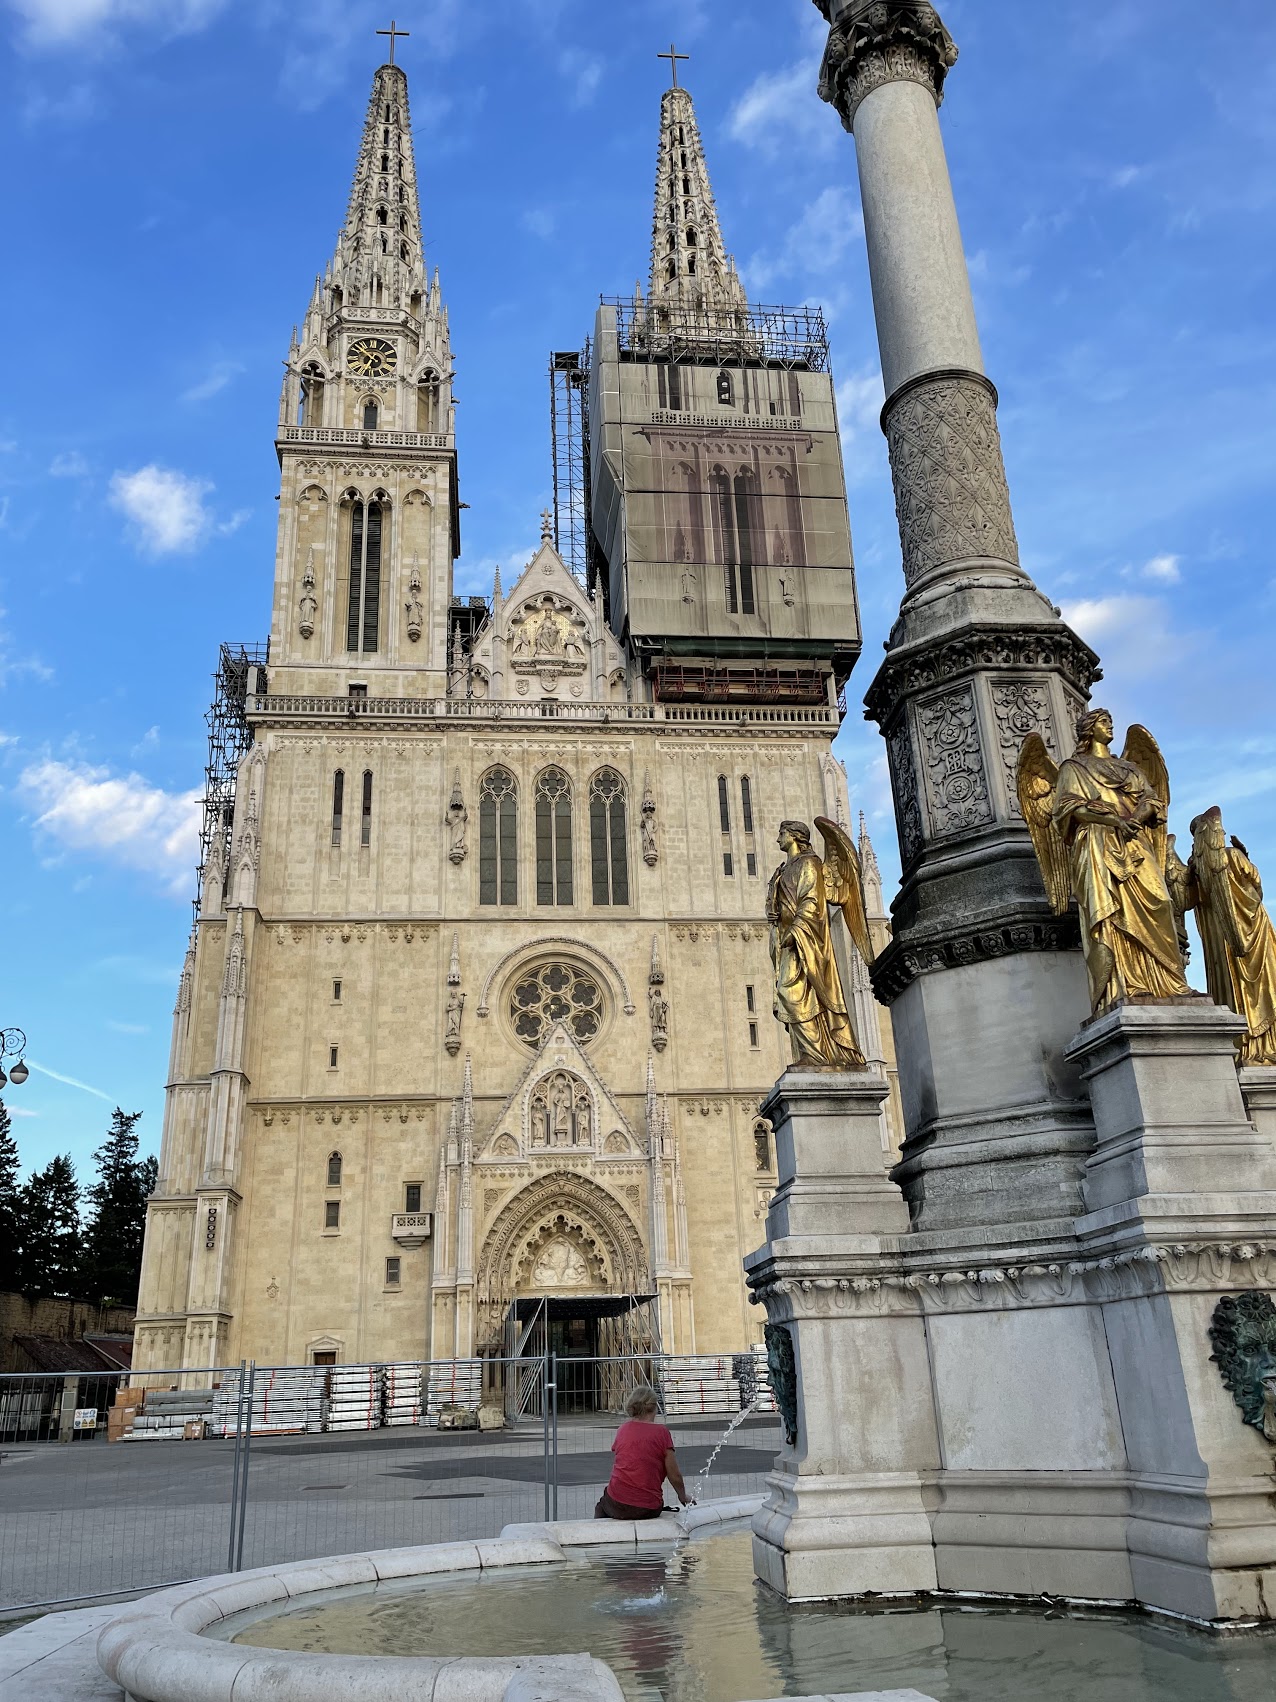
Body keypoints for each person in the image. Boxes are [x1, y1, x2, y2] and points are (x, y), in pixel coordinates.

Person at [594, 1386, 692, 1519]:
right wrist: (682, 1496)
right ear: (654, 1407)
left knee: (601, 1505)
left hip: (616, 1503)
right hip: (648, 1507)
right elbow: (674, 1475)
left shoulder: (622, 1429)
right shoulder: (661, 1433)